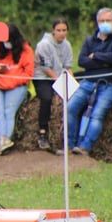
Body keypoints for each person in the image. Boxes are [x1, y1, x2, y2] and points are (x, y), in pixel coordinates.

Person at [65, 7, 112, 156]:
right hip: (88, 81)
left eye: (108, 20)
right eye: (102, 20)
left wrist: (96, 56)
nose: (105, 23)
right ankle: (69, 146)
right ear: (97, 22)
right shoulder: (90, 40)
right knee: (70, 108)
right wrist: (105, 62)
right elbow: (82, 61)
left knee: (97, 114)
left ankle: (84, 147)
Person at [0, 23, 34, 155]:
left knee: (8, 110)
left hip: (16, 86)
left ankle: (3, 142)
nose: (6, 43)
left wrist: (10, 80)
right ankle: (4, 141)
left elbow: (28, 74)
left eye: (8, 40)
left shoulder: (26, 50)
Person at [33, 18, 74, 151]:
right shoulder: (43, 45)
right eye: (59, 30)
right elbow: (46, 68)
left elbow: (68, 66)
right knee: (46, 98)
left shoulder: (67, 45)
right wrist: (60, 82)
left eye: (64, 30)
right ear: (53, 31)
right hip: (43, 77)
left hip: (60, 74)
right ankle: (42, 132)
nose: (62, 33)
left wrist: (71, 81)